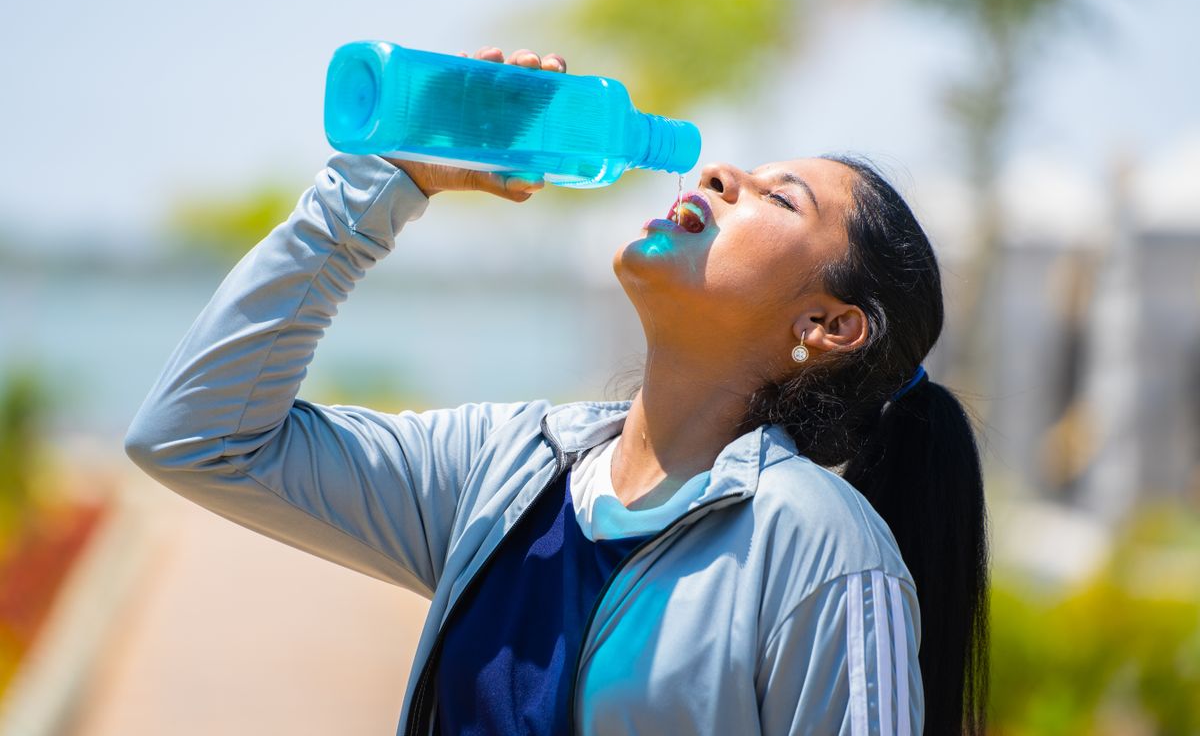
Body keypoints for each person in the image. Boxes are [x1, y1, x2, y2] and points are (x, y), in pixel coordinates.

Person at [125, 46, 988, 735]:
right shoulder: (503, 472)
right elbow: (197, 436)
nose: (721, 173)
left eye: (778, 197)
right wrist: (386, 180)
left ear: (828, 326)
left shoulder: (815, 546)